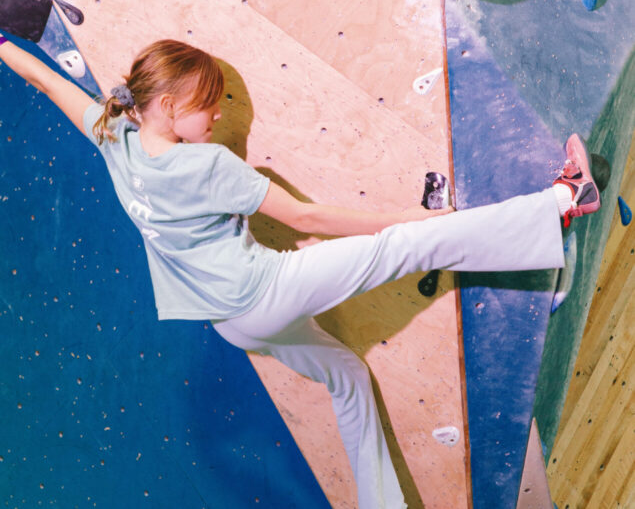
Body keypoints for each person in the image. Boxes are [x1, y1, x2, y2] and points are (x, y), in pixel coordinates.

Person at [0, 35, 600, 509]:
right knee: (407, 245)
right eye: (207, 102)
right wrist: (408, 218)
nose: (215, 114)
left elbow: (43, 78)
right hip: (266, 294)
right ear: (170, 105)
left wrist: (4, 48)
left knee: (348, 379)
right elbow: (306, 218)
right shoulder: (206, 164)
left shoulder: (113, 138)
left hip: (233, 328)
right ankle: (564, 201)